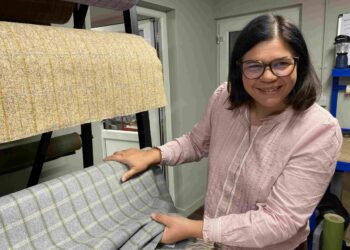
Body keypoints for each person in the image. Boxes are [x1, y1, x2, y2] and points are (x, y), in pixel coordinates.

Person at [105, 14, 343, 249]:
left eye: (281, 63)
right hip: (221, 242)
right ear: (239, 68)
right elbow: (196, 142)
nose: (268, 76)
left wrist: (195, 228)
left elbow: (279, 221)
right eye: (254, 66)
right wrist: (154, 154)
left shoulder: (319, 131)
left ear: (298, 64)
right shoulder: (225, 98)